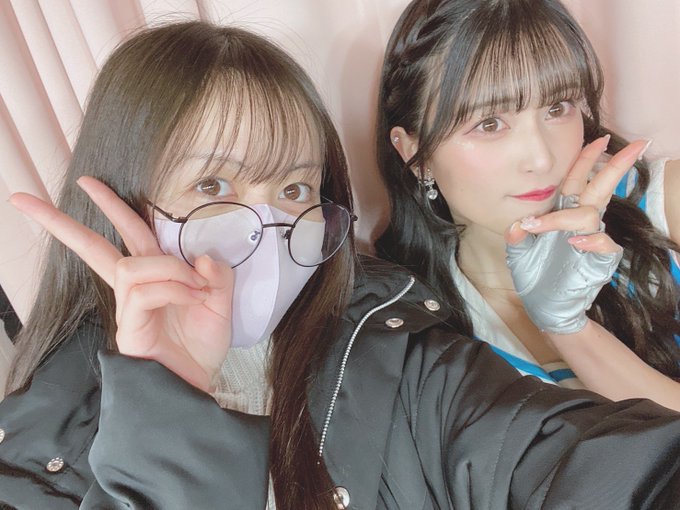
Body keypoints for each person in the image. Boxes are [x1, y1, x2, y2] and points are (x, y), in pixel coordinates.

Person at [1, 19, 680, 510]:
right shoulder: (38, 445)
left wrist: (567, 325)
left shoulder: (397, 347)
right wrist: (167, 416)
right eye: (213, 186)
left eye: (296, 189)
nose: (538, 156)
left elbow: (581, 463)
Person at [376, 0, 680, 410]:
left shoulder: (662, 202)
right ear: (415, 154)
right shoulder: (420, 341)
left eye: (557, 108)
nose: (541, 158)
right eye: (489, 124)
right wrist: (565, 327)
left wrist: (571, 330)